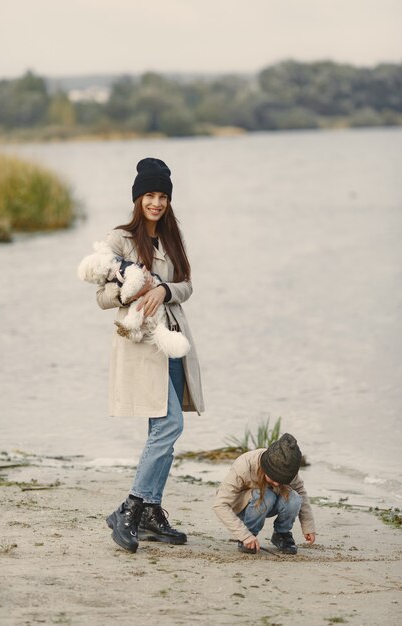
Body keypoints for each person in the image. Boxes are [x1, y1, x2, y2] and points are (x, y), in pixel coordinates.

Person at [90, 157, 205, 553]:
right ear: (138, 199)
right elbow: (103, 297)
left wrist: (164, 290)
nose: (156, 203)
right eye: (149, 195)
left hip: (173, 340)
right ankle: (131, 507)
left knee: (163, 430)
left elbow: (187, 284)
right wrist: (135, 290)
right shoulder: (119, 240)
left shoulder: (173, 237)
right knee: (170, 426)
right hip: (141, 345)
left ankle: (152, 510)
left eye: (162, 196)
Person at [213, 433, 316, 554]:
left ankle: (281, 534)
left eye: (282, 480)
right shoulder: (244, 465)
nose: (277, 484)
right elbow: (219, 504)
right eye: (274, 478)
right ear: (265, 467)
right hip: (244, 507)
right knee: (266, 495)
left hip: (270, 504)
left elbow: (301, 493)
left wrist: (308, 527)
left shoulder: (288, 467)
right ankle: (250, 534)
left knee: (294, 498)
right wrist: (244, 535)